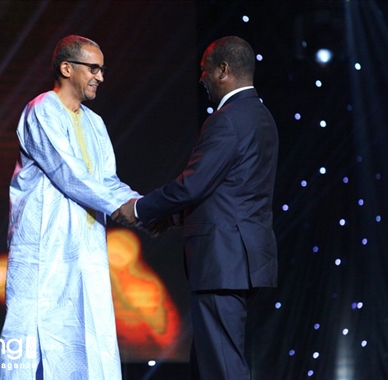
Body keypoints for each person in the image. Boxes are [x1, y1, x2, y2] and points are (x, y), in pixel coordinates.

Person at [115, 36, 279, 379]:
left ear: (223, 71)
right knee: (208, 364)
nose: (200, 78)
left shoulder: (228, 119)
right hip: (241, 259)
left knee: (221, 367)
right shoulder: (261, 117)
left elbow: (194, 183)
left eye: (204, 70)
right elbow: (229, 189)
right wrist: (173, 217)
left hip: (223, 260)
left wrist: (142, 209)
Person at [0, 35, 139, 380]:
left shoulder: (95, 123)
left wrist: (143, 206)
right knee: (31, 337)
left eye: (101, 70)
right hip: (45, 244)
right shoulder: (42, 109)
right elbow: (69, 173)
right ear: (66, 68)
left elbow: (107, 180)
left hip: (85, 244)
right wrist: (130, 207)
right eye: (93, 68)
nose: (100, 77)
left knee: (87, 333)